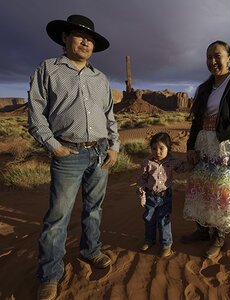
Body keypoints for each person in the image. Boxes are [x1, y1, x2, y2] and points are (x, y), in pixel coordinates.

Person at [28, 15, 120, 300]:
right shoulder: (48, 69)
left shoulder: (100, 78)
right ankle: (50, 274)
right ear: (65, 37)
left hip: (100, 151)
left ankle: (90, 249)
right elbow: (36, 114)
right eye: (80, 36)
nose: (86, 42)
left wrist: (114, 146)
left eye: (90, 39)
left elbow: (110, 116)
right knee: (58, 216)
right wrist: (53, 145)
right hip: (67, 152)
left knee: (94, 208)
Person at [182, 40, 230, 259]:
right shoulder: (205, 87)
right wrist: (190, 147)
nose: (212, 61)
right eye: (208, 57)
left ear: (229, 58)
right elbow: (196, 120)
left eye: (217, 56)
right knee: (203, 188)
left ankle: (219, 237)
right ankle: (202, 230)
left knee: (224, 192)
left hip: (226, 146)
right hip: (203, 144)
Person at [137, 133, 192, 257]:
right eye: (154, 148)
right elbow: (141, 181)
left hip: (165, 196)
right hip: (150, 196)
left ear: (168, 148)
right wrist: (142, 196)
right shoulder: (147, 163)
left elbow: (182, 167)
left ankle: (166, 244)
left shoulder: (173, 161)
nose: (158, 152)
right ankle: (149, 240)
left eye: (161, 148)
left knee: (163, 220)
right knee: (149, 219)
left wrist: (194, 164)